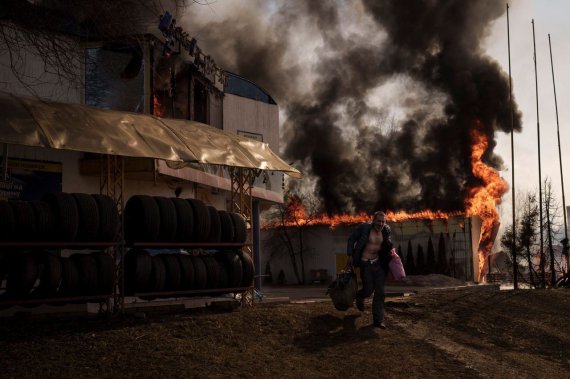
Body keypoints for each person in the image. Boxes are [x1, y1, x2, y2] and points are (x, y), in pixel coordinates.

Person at [346, 211, 392, 329]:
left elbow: (388, 244)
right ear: (373, 220)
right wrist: (350, 255)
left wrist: (391, 252)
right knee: (368, 289)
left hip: (378, 264)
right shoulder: (364, 228)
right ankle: (360, 296)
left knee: (380, 292)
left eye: (383, 221)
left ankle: (378, 320)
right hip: (365, 263)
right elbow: (351, 239)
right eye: (378, 221)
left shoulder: (386, 231)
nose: (380, 224)